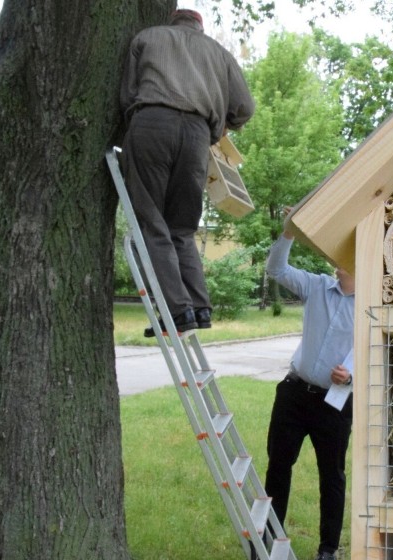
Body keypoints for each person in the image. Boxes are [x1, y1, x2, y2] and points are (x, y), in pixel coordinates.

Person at [119, 8, 255, 336]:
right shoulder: (220, 54)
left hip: (152, 123)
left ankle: (177, 312)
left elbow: (127, 94)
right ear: (200, 27)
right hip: (197, 136)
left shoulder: (147, 37)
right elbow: (245, 107)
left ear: (173, 22)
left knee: (152, 222)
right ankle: (198, 307)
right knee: (181, 228)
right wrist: (225, 123)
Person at [264, 209, 355, 560]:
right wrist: (287, 234)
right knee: (278, 467)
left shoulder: (371, 304)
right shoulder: (317, 286)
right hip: (294, 394)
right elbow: (276, 271)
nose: (334, 262)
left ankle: (327, 552)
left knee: (331, 476)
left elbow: (374, 352)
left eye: (341, 258)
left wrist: (350, 377)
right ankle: (269, 541)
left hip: (335, 404)